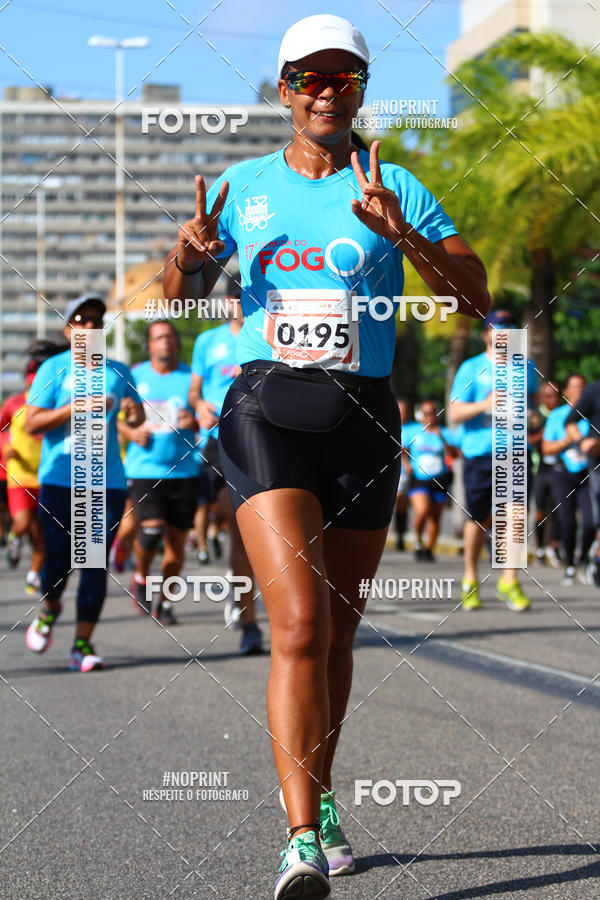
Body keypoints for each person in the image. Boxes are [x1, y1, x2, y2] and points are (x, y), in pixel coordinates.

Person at [163, 14, 490, 898]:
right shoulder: (241, 186)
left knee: (338, 631)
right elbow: (180, 289)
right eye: (309, 77)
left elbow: (478, 298)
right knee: (300, 624)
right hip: (266, 407)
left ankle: (324, 792)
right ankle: (300, 840)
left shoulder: (398, 185)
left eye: (343, 78)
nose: (326, 91)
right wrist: (189, 262)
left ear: (361, 90)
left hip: (365, 420)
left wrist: (404, 234)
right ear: (284, 89)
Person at [24, 294, 144, 671]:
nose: (91, 326)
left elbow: (137, 419)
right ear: (68, 329)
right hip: (60, 481)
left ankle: (82, 644)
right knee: (58, 561)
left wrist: (133, 410)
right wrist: (74, 407)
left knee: (93, 564)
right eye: (82, 319)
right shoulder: (53, 369)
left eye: (97, 320)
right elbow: (31, 424)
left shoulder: (120, 371)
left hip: (105, 482)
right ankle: (49, 608)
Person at [189, 277, 264, 654]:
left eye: (245, 296)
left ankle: (252, 606)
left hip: (266, 436)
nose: (238, 303)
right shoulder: (208, 342)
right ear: (224, 302)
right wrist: (201, 407)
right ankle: (250, 624)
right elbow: (194, 391)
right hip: (220, 442)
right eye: (233, 296)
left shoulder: (270, 331)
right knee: (239, 529)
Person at [450, 310, 538, 612]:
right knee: (478, 519)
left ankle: (509, 579)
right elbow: (454, 414)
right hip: (480, 453)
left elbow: (533, 406)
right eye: (497, 328)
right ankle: (470, 578)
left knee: (516, 514)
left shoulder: (526, 367)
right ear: (486, 334)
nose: (503, 333)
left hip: (515, 449)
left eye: (508, 328)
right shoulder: (470, 368)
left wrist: (533, 417)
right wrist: (487, 404)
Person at [120, 319, 199, 625]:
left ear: (176, 343)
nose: (164, 342)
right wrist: (129, 431)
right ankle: (140, 577)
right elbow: (111, 415)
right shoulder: (134, 376)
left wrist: (194, 423)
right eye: (158, 338)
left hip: (184, 471)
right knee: (151, 531)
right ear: (150, 345)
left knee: (176, 546)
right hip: (144, 469)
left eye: (169, 337)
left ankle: (164, 603)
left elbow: (205, 414)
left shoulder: (191, 377)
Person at [0, 340, 64, 592]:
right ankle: (15, 537)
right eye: (32, 377)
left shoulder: (57, 404)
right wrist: (6, 445)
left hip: (48, 476)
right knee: (24, 522)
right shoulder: (14, 404)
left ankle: (33, 576)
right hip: (19, 475)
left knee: (42, 538)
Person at [543, 374, 595, 585]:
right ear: (566, 391)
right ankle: (570, 563)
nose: (579, 391)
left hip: (587, 473)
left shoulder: (593, 415)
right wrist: (568, 439)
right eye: (574, 387)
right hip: (563, 473)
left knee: (592, 521)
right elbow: (547, 448)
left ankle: (583, 560)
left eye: (583, 387)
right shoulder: (558, 416)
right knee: (567, 521)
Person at [402, 400, 458, 561]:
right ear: (420, 415)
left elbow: (454, 454)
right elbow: (403, 449)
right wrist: (406, 465)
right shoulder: (413, 431)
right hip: (419, 479)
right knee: (422, 511)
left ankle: (428, 549)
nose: (430, 416)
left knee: (435, 517)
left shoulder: (445, 432)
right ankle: (418, 541)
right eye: (426, 413)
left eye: (433, 412)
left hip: (440, 479)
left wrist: (442, 439)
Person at [531, 380, 562, 567]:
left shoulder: (563, 415)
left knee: (559, 510)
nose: (553, 399)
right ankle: (540, 549)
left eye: (555, 395)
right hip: (539, 470)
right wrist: (545, 432)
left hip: (559, 468)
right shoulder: (534, 416)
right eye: (549, 395)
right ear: (542, 397)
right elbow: (527, 438)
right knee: (540, 512)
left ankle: (555, 546)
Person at [393, 398, 412, 550]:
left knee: (401, 502)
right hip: (389, 469)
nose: (402, 414)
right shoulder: (387, 425)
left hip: (405, 472)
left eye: (404, 410)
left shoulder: (414, 429)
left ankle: (400, 535)